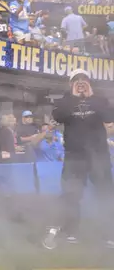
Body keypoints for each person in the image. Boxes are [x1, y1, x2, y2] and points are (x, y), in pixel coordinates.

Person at [43, 69, 114, 249]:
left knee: (105, 194)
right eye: (77, 80)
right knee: (71, 194)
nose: (81, 83)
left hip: (99, 155)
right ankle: (71, 232)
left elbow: (109, 117)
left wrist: (90, 97)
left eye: (84, 80)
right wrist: (74, 98)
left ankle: (109, 234)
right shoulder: (64, 101)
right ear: (71, 84)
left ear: (90, 82)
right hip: (75, 156)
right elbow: (58, 117)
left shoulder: (99, 100)